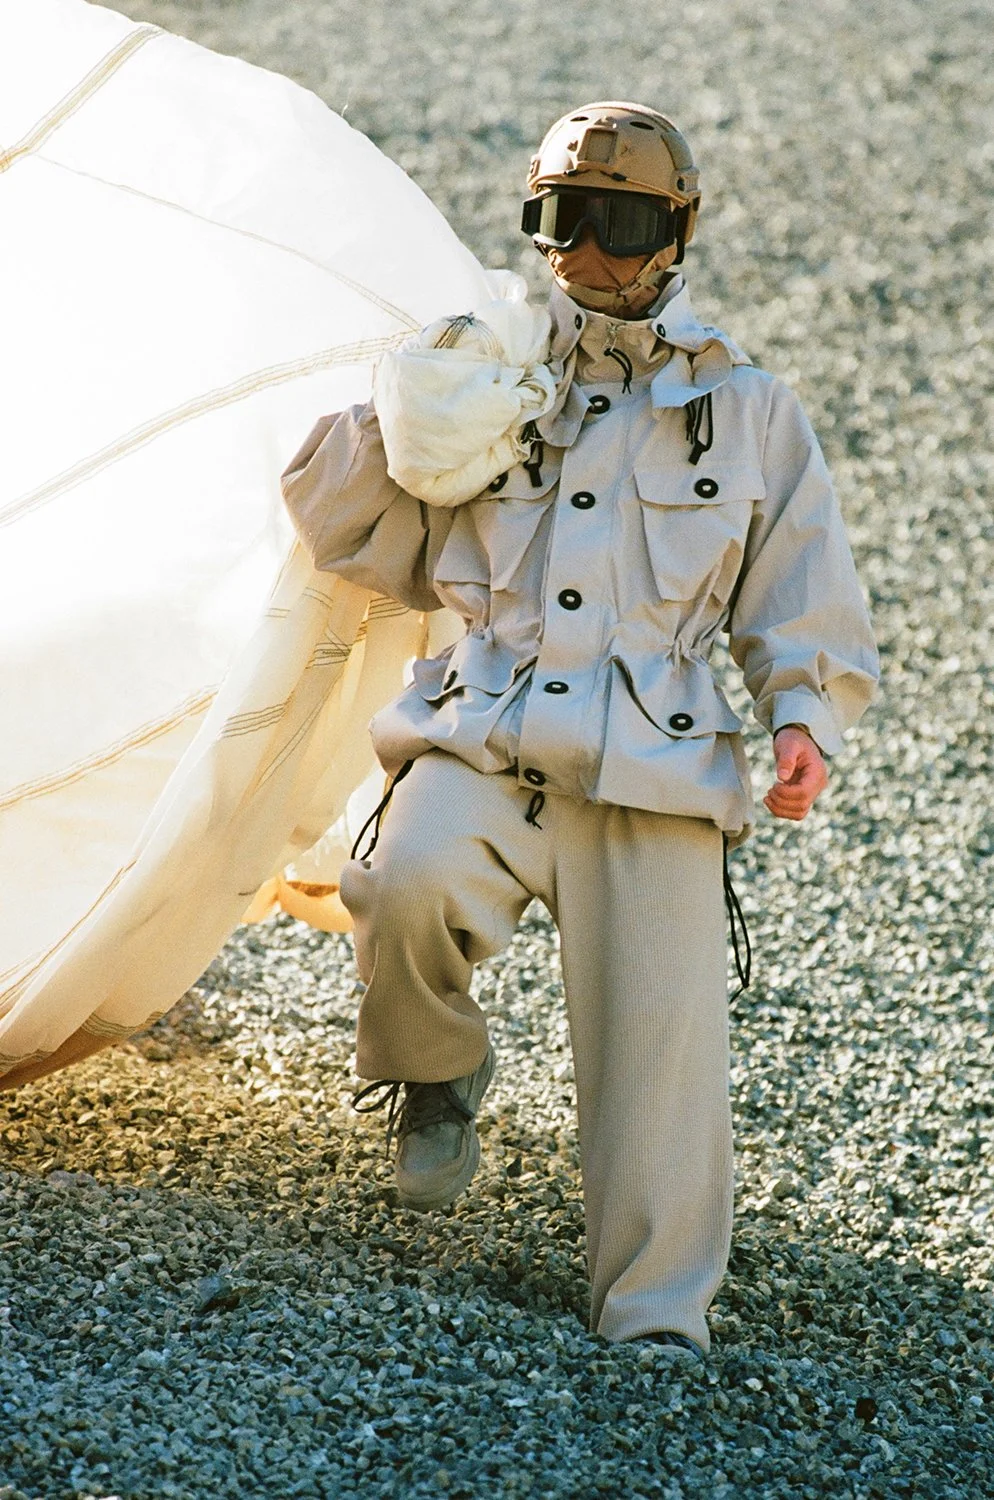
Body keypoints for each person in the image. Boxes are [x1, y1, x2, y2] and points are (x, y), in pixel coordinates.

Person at [281, 102, 879, 1358]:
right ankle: (434, 1069)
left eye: (619, 223)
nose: (587, 253)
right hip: (480, 732)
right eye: (560, 220)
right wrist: (407, 406)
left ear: (675, 235)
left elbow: (801, 587)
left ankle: (653, 1324)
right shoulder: (485, 374)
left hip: (653, 762)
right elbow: (345, 530)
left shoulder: (749, 410)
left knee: (660, 1063)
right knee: (401, 882)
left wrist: (802, 718)